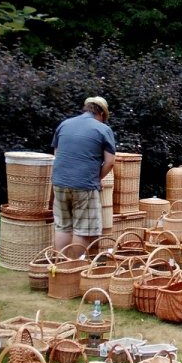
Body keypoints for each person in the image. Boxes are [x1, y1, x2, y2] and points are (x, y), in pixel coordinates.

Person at [51, 96, 116, 249]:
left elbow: (57, 154)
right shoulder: (103, 129)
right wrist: (97, 178)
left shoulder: (65, 124)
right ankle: (75, 264)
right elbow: (110, 162)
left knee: (62, 226)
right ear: (101, 113)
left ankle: (59, 263)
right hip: (84, 185)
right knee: (83, 230)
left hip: (59, 182)